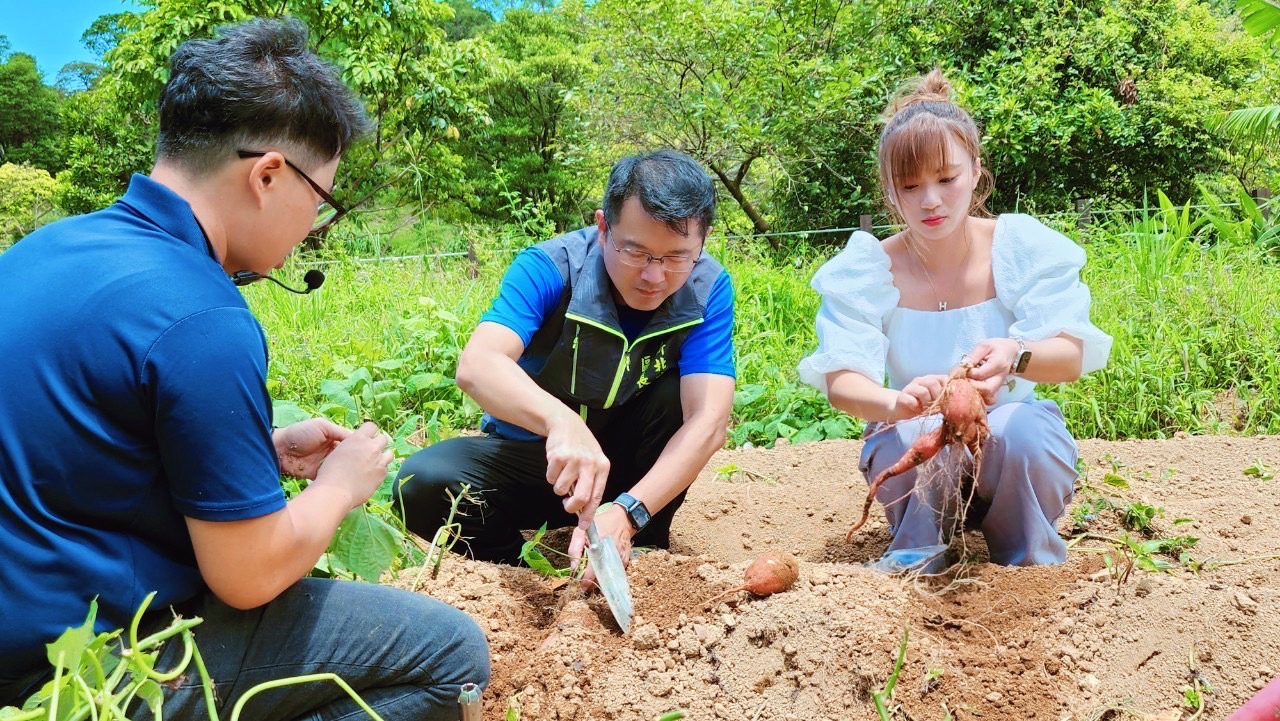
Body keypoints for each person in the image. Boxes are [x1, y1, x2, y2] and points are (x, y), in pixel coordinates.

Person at [0, 18, 488, 719]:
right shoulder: (202, 316)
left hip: (24, 625)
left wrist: (265, 454)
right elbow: (247, 575)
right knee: (451, 655)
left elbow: (76, 456)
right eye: (322, 204)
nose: (314, 229)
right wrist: (339, 490)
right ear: (267, 175)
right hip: (77, 674)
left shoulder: (48, 247)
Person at [798, 69, 1112, 572]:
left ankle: (1027, 559)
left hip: (1008, 448)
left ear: (976, 169)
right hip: (919, 448)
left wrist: (1017, 355)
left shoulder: (1019, 248)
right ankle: (919, 554)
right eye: (910, 185)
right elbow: (842, 381)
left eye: (947, 179)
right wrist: (895, 402)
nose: (930, 200)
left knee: (1024, 430)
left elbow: (1071, 356)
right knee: (902, 434)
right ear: (889, 190)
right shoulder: (866, 268)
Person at [397, 149, 736, 583]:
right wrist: (561, 422)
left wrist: (631, 510)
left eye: (676, 257)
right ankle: (524, 569)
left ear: (702, 242)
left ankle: (642, 545)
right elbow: (478, 364)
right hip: (539, 463)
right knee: (420, 482)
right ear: (602, 228)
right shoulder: (551, 267)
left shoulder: (708, 288)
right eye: (636, 251)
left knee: (678, 397)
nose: (654, 276)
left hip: (629, 474)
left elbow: (709, 420)